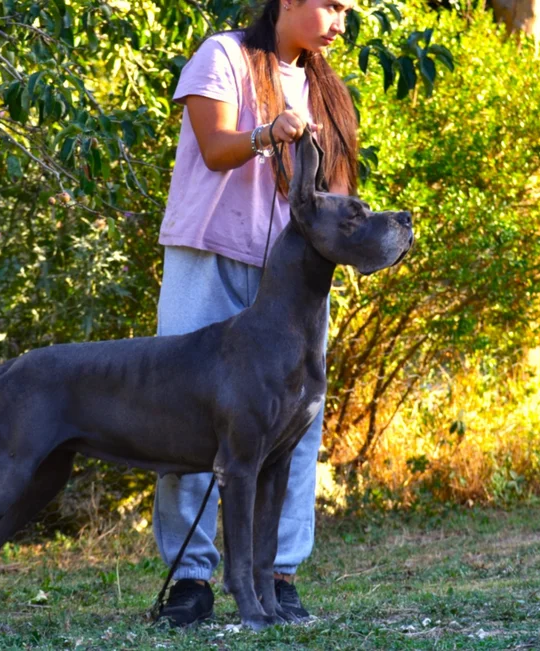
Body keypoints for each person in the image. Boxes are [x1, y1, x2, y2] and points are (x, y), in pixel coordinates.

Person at [152, 0, 360, 627]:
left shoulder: (331, 91)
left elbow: (335, 199)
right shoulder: (224, 56)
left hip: (292, 283)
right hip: (211, 254)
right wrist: (272, 131)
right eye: (331, 5)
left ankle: (279, 575)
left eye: (348, 11)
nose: (339, 22)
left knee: (296, 424)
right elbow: (215, 149)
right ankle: (191, 582)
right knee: (181, 413)